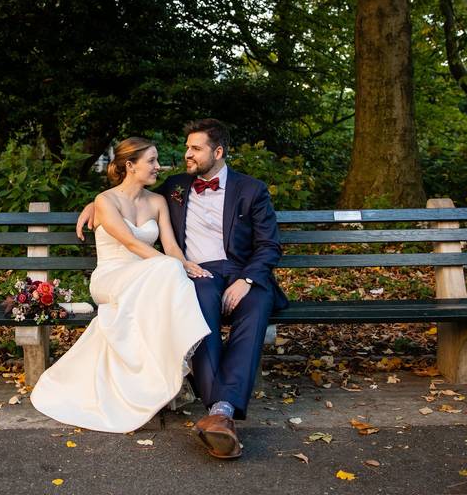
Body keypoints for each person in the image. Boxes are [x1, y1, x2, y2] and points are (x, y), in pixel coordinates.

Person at [75, 119, 287, 459]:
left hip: (242, 273)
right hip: (198, 274)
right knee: (197, 310)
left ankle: (220, 412)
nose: (187, 154)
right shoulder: (175, 186)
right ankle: (222, 410)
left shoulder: (251, 189)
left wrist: (246, 280)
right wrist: (94, 206)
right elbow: (127, 195)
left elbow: (269, 246)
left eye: (195, 149)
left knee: (257, 307)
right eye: (187, 147)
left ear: (217, 152)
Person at [29, 137, 212, 434]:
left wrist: (185, 264)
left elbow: (170, 246)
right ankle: (182, 354)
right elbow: (129, 243)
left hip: (147, 277)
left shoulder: (157, 202)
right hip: (111, 278)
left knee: (169, 272)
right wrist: (171, 265)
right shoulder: (105, 201)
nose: (157, 166)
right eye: (151, 161)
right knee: (166, 271)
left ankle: (153, 379)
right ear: (130, 165)